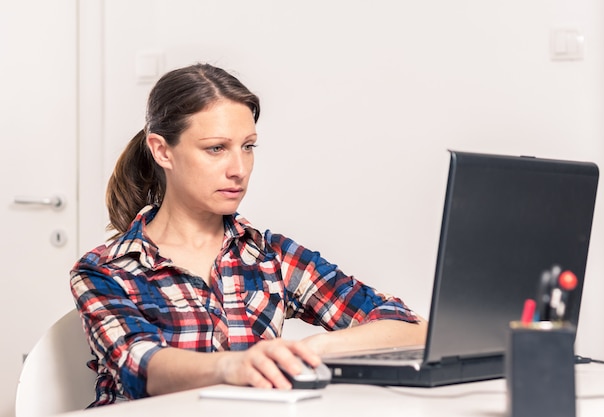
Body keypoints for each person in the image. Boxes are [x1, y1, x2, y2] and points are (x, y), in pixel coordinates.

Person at [70, 62, 428, 406]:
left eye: (248, 146)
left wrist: (313, 349)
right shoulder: (105, 270)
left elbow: (409, 327)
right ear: (163, 151)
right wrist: (235, 365)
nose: (239, 169)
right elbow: (141, 365)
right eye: (216, 148)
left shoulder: (270, 256)